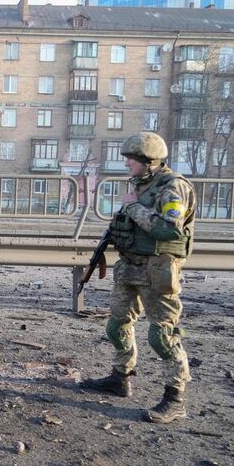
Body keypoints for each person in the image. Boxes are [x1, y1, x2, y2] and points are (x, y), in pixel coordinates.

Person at [81, 132, 197, 424]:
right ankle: (120, 378)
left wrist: (132, 206)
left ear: (150, 161)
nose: (127, 164)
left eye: (131, 159)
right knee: (116, 326)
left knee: (161, 335)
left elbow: (169, 229)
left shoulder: (173, 187)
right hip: (130, 266)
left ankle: (176, 398)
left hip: (158, 269)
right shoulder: (140, 184)